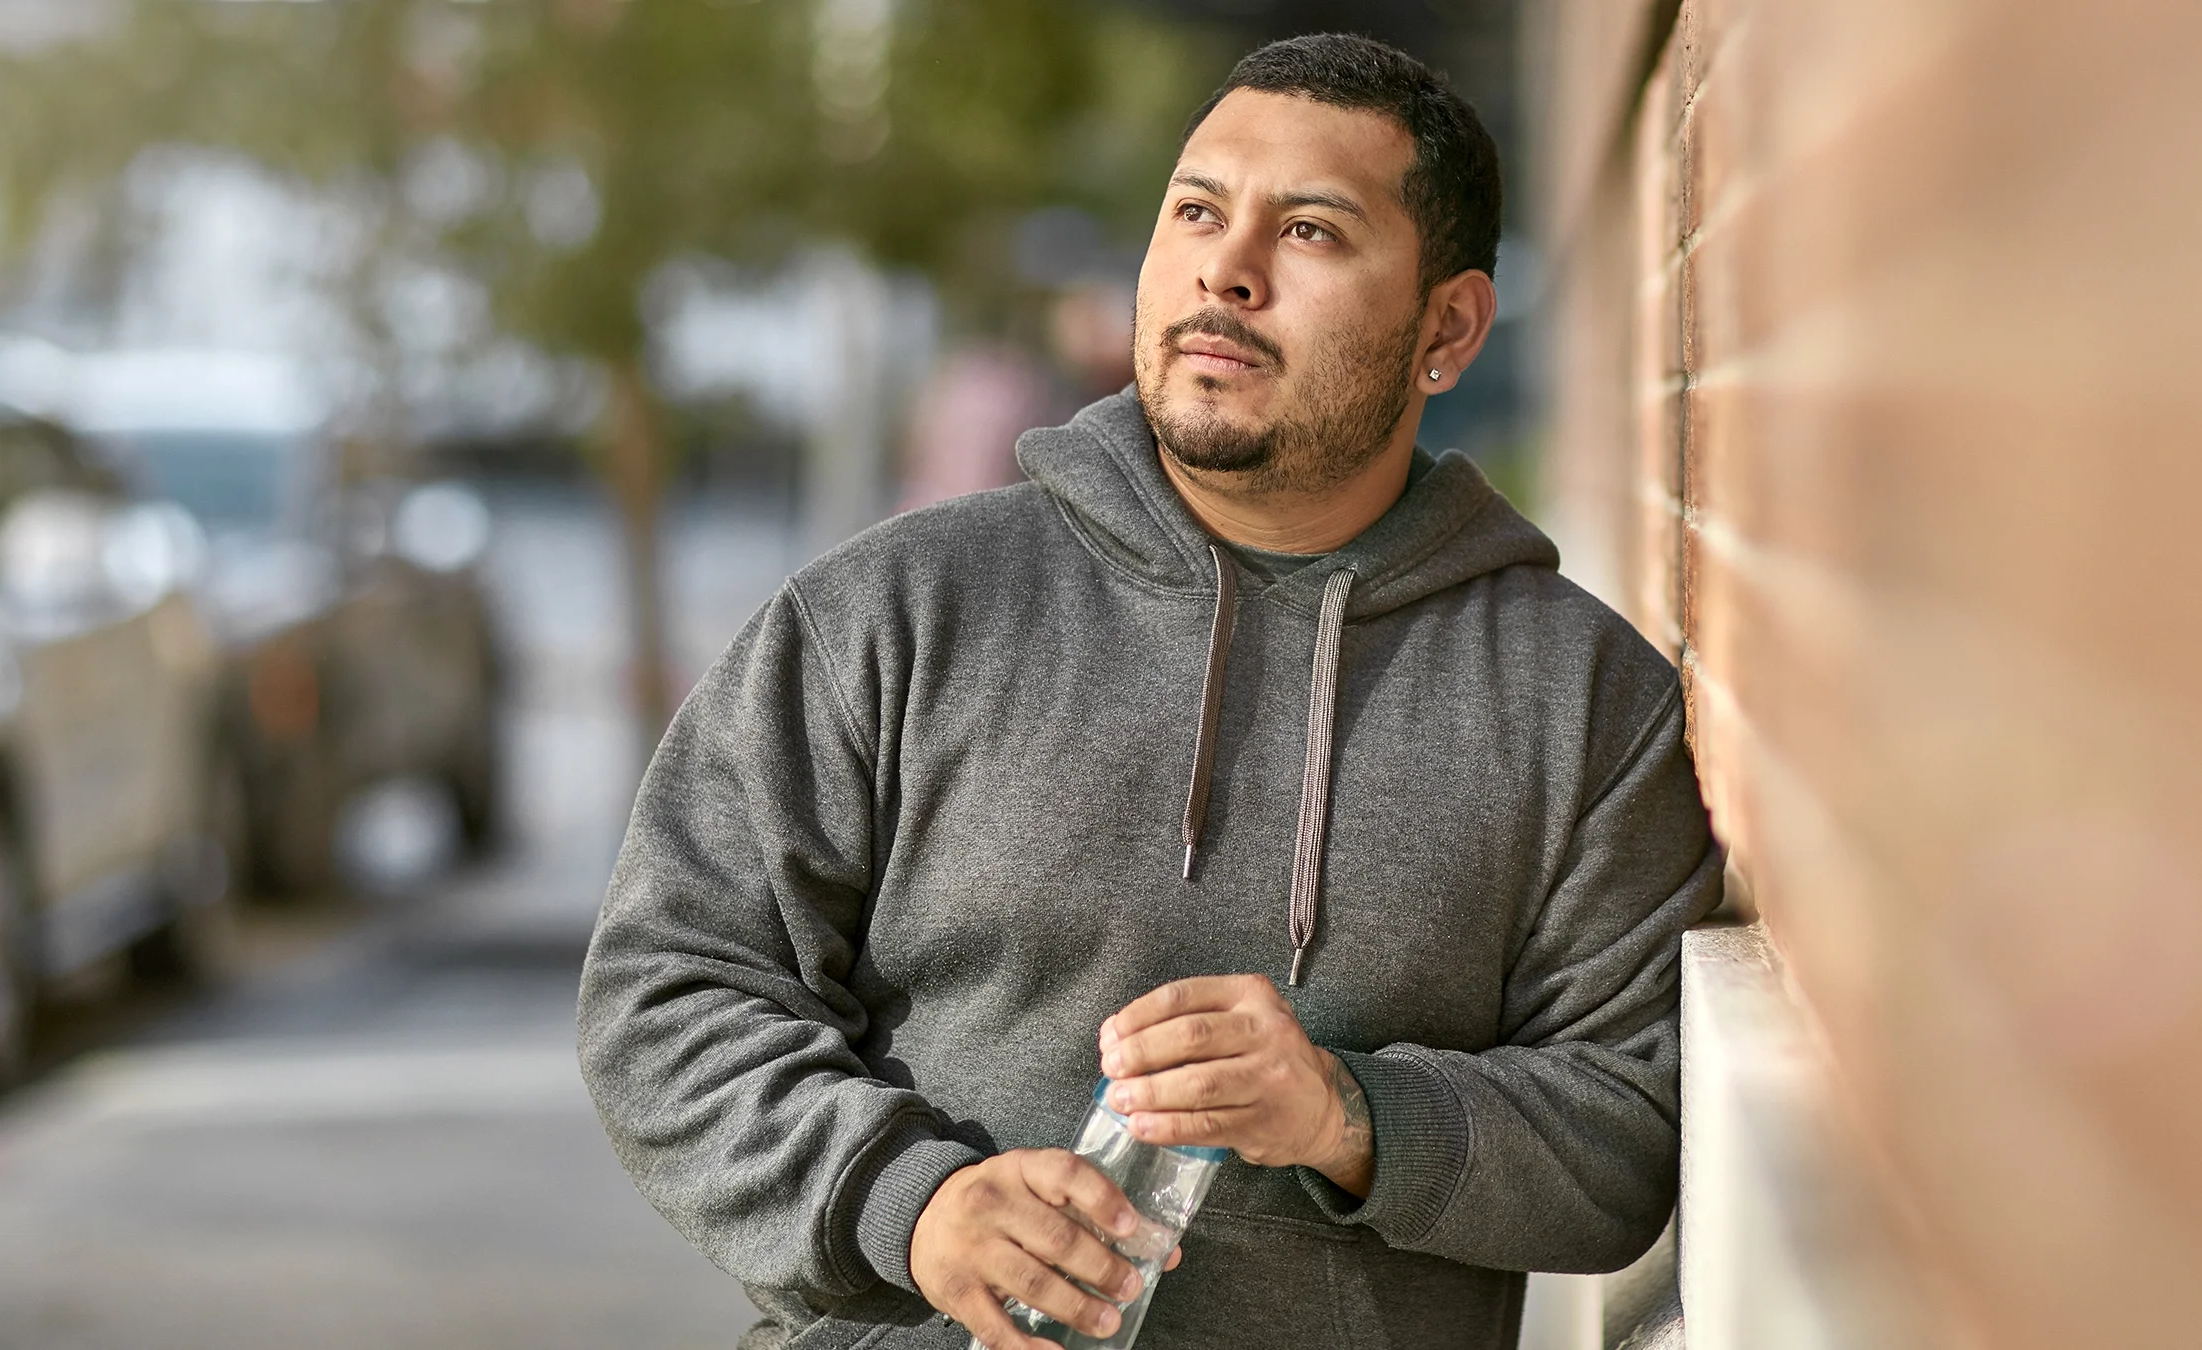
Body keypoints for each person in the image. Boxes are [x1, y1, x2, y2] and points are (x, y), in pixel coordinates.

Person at [579, 32, 1721, 1350]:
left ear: (1448, 329)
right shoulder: (896, 612)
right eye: (1195, 211)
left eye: (1310, 231)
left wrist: (1348, 1117)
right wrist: (914, 1200)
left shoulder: (1578, 702)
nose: (1225, 271)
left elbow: (1622, 1139)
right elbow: (669, 984)